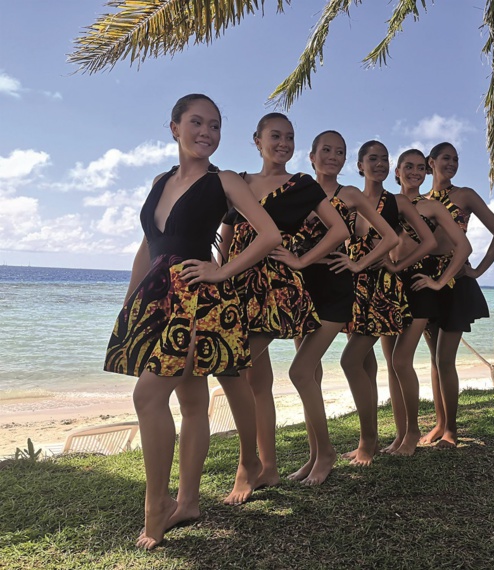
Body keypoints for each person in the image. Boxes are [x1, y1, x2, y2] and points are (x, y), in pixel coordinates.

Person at [104, 94, 281, 550]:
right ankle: (188, 501)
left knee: (148, 394)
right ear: (174, 128)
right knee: (192, 401)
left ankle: (156, 505)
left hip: (199, 301)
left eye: (215, 125)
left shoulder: (224, 181)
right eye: (197, 122)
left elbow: (268, 234)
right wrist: (130, 301)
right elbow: (149, 246)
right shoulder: (161, 180)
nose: (207, 132)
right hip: (158, 300)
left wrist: (221, 270)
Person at [216, 113, 348, 503]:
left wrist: (302, 261)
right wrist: (219, 271)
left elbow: (339, 230)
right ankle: (268, 467)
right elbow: (227, 230)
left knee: (241, 371)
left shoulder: (302, 185)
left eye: (290, 137)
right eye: (276, 136)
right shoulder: (238, 183)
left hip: (273, 288)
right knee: (257, 382)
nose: (284, 143)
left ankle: (266, 463)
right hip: (235, 286)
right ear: (257, 139)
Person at [276, 129, 398, 484]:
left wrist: (358, 265)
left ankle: (332, 451)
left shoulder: (349, 194)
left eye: (340, 151)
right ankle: (314, 455)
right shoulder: (299, 190)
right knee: (310, 374)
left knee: (301, 371)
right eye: (325, 150)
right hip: (301, 288)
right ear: (311, 156)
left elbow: (389, 237)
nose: (333, 156)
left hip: (334, 286)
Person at [331, 140, 436, 466]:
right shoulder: (348, 199)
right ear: (360, 165)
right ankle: (374, 438)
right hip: (352, 289)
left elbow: (429, 242)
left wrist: (396, 266)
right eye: (372, 159)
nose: (379, 164)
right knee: (367, 364)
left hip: (383, 291)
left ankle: (391, 436)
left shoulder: (397, 201)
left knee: (356, 361)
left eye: (383, 159)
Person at [380, 149, 471, 456]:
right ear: (397, 170)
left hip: (419, 284)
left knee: (402, 361)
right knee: (392, 366)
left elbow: (463, 246)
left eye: (421, 167)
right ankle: (400, 434)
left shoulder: (431, 206)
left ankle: (413, 433)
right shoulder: (386, 202)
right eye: (409, 166)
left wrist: (439, 281)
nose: (415, 172)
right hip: (388, 287)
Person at [421, 142, 494, 449]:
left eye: (456, 159)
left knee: (445, 359)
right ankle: (439, 423)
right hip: (426, 280)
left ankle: (451, 431)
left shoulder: (465, 195)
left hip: (456, 281)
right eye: (446, 158)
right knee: (433, 359)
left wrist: (479, 270)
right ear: (430, 162)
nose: (452, 163)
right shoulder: (420, 200)